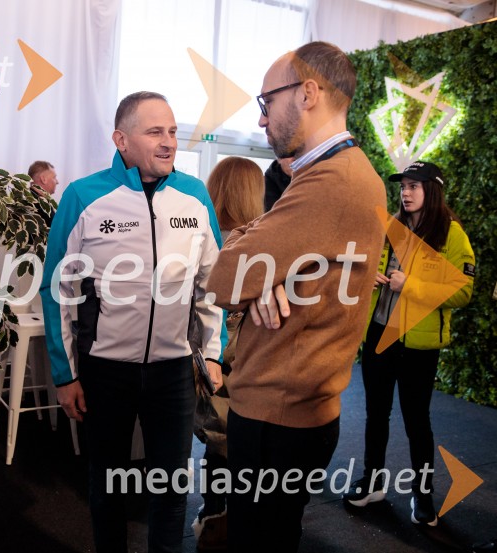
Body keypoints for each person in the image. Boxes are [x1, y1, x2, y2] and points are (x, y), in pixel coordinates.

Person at [206, 41, 388, 553]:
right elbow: (247, 268)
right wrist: (266, 277)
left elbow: (223, 277)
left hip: (278, 415)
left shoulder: (332, 182)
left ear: (307, 93)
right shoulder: (331, 173)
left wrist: (256, 271)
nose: (262, 118)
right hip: (289, 408)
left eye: (267, 100)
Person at [40, 91, 227, 553]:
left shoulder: (194, 196)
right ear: (121, 140)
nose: (169, 142)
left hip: (174, 371)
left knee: (171, 487)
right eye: (155, 132)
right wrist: (65, 375)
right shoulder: (84, 196)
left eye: (173, 131)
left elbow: (212, 284)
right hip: (106, 370)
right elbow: (57, 290)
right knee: (107, 485)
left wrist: (212, 353)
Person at [343, 161, 475, 526]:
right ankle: (372, 483)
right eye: (403, 186)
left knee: (417, 421)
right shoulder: (390, 228)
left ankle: (423, 495)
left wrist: (410, 286)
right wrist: (368, 276)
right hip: (379, 336)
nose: (405, 192)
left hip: (417, 346)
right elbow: (365, 264)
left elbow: (464, 291)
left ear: (432, 190)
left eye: (414, 186)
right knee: (376, 415)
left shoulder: (451, 234)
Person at [192, 156, 265, 552]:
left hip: (206, 351)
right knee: (242, 443)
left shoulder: (201, 236)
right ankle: (233, 516)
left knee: (216, 440)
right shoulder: (256, 243)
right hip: (244, 355)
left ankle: (212, 511)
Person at [28, 160, 59, 226]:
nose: (57, 182)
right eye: (54, 177)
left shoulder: (24, 199)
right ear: (43, 179)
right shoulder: (41, 207)